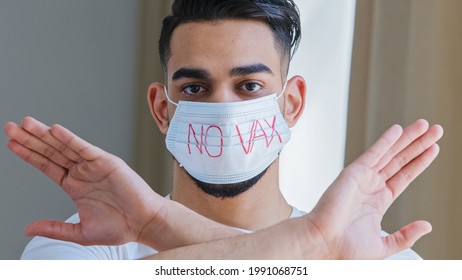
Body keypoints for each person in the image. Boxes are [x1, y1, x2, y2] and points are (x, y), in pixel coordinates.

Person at [4, 0, 443, 259]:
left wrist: (160, 226)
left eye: (249, 85)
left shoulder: (377, 256)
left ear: (291, 104)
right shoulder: (86, 244)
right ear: (162, 108)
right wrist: (312, 249)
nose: (222, 108)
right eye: (195, 87)